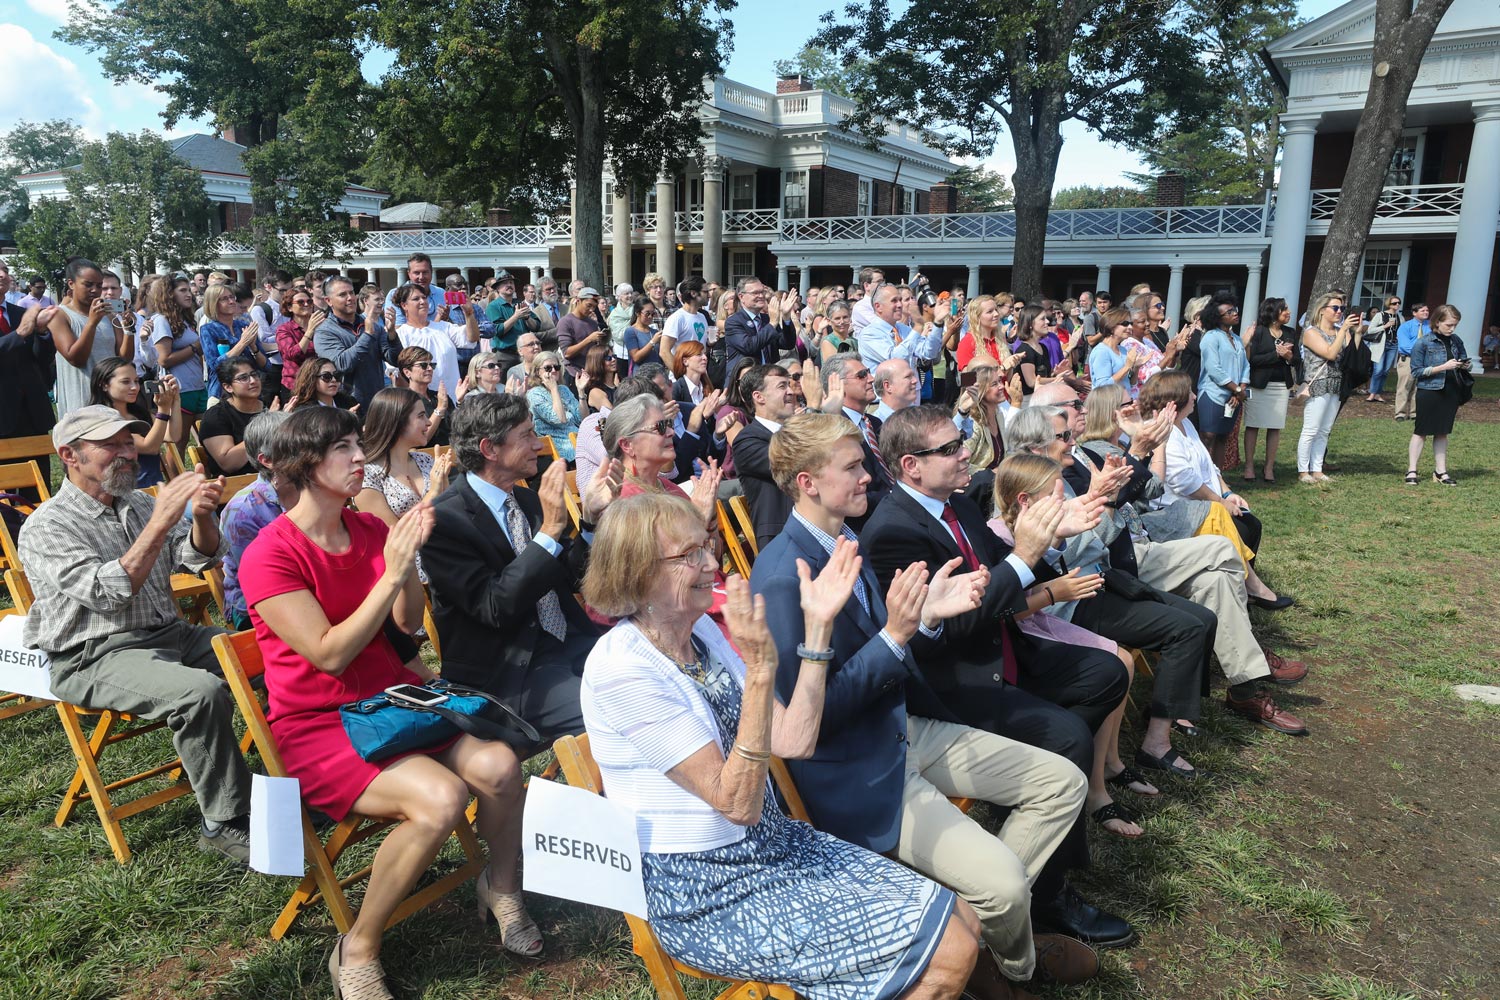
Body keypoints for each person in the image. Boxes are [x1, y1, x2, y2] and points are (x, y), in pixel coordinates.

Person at [580, 491, 985, 1000]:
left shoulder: (701, 630)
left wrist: (817, 629)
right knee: (950, 949)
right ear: (637, 573)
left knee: (962, 915)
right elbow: (736, 804)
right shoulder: (624, 670)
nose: (712, 562)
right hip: (706, 891)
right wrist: (761, 670)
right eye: (690, 555)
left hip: (774, 846)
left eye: (707, 545)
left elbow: (794, 738)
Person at [752, 412, 1100, 995]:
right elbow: (813, 726)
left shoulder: (842, 539)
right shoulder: (785, 576)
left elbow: (893, 644)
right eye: (854, 466)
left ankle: (973, 935)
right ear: (808, 483)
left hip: (904, 727)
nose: (870, 476)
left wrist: (927, 618)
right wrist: (896, 633)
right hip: (861, 771)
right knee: (1008, 884)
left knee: (1063, 782)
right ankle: (1013, 970)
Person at [240, 406, 538, 999]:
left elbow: (403, 625)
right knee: (442, 798)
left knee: (501, 766)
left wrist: (408, 571)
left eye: (359, 445)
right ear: (306, 464)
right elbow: (328, 655)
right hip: (321, 724)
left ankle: (500, 887)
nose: (360, 459)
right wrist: (392, 571)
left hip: (394, 699)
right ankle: (358, 945)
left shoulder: (372, 529)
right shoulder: (269, 553)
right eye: (343, 450)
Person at [861, 405, 1139, 940]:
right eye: (949, 448)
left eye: (961, 440)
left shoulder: (957, 505)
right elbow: (958, 625)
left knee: (1107, 673)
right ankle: (1049, 897)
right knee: (1067, 736)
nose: (965, 450)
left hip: (1001, 652)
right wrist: (1028, 554)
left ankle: (1037, 802)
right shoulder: (893, 533)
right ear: (912, 466)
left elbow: (1002, 579)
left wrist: (1056, 531)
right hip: (953, 683)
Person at [19, 405, 252, 862]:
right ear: (70, 454)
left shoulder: (140, 502)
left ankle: (313, 774)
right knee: (199, 693)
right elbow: (107, 593)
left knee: (274, 653)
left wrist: (203, 515)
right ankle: (223, 821)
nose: (127, 452)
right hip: (93, 655)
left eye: (129, 441)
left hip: (169, 634)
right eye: (111, 445)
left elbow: (198, 558)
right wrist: (163, 518)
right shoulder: (46, 525)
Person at [420, 393, 606, 741]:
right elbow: (495, 606)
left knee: (656, 681)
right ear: (490, 448)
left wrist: (591, 522)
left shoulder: (526, 499)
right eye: (526, 436)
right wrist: (549, 532)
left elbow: (573, 578)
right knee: (616, 714)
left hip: (572, 644)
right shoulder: (444, 521)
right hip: (510, 674)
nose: (538, 445)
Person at [219, 411, 292, 630]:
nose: (310, 449)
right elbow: (261, 581)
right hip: (256, 607)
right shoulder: (243, 512)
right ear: (267, 460)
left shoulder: (309, 490)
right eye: (295, 444)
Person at [727, 363, 800, 548]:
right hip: (783, 539)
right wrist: (815, 409)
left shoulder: (794, 430)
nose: (791, 391)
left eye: (790, 385)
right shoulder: (747, 441)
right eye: (782, 386)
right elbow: (796, 460)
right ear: (759, 397)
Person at [49, 258, 128, 422]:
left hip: (111, 401)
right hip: (81, 402)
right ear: (71, 284)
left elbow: (124, 359)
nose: (95, 290)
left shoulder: (109, 316)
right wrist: (92, 323)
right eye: (88, 284)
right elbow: (76, 358)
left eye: (99, 285)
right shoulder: (60, 315)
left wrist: (129, 329)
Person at [1297, 291, 1361, 484]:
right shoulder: (1311, 332)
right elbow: (1330, 354)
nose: (1339, 311)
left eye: (1342, 308)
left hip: (1336, 384)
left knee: (1324, 430)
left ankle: (1317, 469)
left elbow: (1352, 354)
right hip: (1318, 383)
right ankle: (1303, 471)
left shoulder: (1341, 331)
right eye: (1335, 308)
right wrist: (1343, 331)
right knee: (1311, 428)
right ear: (1322, 310)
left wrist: (1355, 332)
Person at [88, 357, 180, 488]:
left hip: (154, 488)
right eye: (126, 382)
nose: (134, 387)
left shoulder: (139, 413)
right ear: (104, 385)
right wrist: (163, 410)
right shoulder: (103, 419)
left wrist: (175, 400)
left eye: (136, 381)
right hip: (128, 493)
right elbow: (150, 447)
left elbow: (173, 436)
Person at [1405, 304, 1469, 485]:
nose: (1452, 329)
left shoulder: (1456, 340)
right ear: (1437, 322)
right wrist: (1443, 367)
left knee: (1442, 432)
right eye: (1449, 325)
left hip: (1451, 390)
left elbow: (1463, 359)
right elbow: (1416, 371)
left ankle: (1440, 472)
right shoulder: (1423, 342)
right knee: (1421, 431)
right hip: (1429, 391)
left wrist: (1464, 365)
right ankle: (1412, 470)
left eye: (1455, 325)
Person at [386, 282, 481, 399]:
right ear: (404, 305)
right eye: (416, 299)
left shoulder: (444, 327)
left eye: (424, 297)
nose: (422, 302)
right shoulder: (400, 335)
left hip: (452, 398)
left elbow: (472, 338)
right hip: (420, 403)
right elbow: (398, 376)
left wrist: (469, 313)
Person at [827, 354, 895, 512]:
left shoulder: (874, 423)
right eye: (862, 375)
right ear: (838, 385)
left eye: (869, 372)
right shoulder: (835, 429)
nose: (871, 379)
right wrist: (896, 497)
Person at [1242, 298, 1298, 483]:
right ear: (1273, 313)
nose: (1288, 312)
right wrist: (1275, 354)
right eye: (1284, 310)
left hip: (1280, 386)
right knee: (1253, 424)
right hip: (1257, 385)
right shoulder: (1259, 332)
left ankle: (1269, 467)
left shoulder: (1290, 333)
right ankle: (1249, 466)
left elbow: (1297, 360)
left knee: (1275, 426)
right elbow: (1253, 360)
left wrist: (1289, 356)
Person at [314, 276, 388, 410]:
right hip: (348, 406)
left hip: (377, 403)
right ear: (328, 300)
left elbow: (393, 358)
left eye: (352, 292)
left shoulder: (371, 325)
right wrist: (367, 336)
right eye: (343, 294)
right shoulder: (324, 331)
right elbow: (341, 364)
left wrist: (393, 336)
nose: (350, 298)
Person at [0, 271, 58, 443]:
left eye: (5, 270)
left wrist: (42, 333)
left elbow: (40, 360)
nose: (3, 274)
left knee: (38, 470)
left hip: (32, 413)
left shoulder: (21, 313)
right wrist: (18, 334)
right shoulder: (23, 323)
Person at [1195, 294, 1249, 469]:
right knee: (1208, 435)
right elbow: (1214, 369)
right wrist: (1237, 390)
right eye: (1229, 311)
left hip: (1234, 396)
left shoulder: (1237, 339)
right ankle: (1200, 475)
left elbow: (1245, 365)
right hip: (1212, 394)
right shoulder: (1211, 337)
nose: (1235, 313)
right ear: (1217, 317)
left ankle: (1218, 478)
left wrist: (1240, 389)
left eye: (1235, 309)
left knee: (1223, 435)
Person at [197, 356, 265, 477]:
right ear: (228, 387)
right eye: (243, 378)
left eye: (254, 375)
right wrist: (267, 426)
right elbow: (229, 463)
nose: (253, 381)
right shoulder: (216, 417)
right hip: (237, 485)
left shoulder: (271, 405)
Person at [199, 283, 266, 400]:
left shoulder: (244, 326)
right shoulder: (208, 329)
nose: (231, 301)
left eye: (232, 297)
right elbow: (216, 365)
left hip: (250, 391)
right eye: (225, 299)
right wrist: (243, 343)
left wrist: (254, 347)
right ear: (214, 303)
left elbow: (266, 365)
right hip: (222, 394)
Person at [858, 284, 943, 372]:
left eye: (900, 300)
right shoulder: (869, 334)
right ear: (878, 306)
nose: (899, 305)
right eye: (894, 301)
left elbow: (929, 352)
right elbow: (895, 359)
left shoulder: (904, 329)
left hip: (911, 385)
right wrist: (918, 327)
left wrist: (938, 323)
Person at [524, 350, 584, 461]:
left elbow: (582, 418)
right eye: (548, 368)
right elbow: (559, 419)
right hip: (559, 446)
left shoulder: (564, 389)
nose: (553, 371)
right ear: (538, 372)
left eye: (556, 367)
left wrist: (581, 392)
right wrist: (554, 389)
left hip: (578, 438)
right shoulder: (534, 394)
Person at [724, 278, 797, 367]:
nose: (761, 296)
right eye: (755, 293)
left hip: (769, 376)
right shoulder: (733, 321)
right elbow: (749, 347)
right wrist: (772, 324)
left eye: (762, 292)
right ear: (741, 296)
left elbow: (787, 344)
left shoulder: (767, 319)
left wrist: (786, 317)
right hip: (746, 378)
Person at [395, 346, 453, 447]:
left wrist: (461, 402)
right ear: (407, 372)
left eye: (432, 365)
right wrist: (439, 409)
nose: (430, 369)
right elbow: (420, 440)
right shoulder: (404, 401)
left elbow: (458, 429)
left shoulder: (439, 397)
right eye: (423, 365)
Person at [274, 286, 321, 396]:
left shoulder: (321, 327)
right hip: (295, 386)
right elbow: (293, 354)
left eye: (309, 301)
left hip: (319, 384)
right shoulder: (284, 329)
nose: (306, 304)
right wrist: (309, 331)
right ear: (290, 307)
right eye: (300, 302)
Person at [1088, 308, 1142, 397]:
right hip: (1108, 406)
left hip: (1125, 402)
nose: (1130, 327)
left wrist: (1136, 368)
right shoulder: (1101, 352)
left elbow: (1131, 383)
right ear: (1111, 326)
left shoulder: (1123, 350)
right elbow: (1102, 387)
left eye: (1131, 323)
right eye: (1125, 324)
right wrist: (1127, 367)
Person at [557, 287, 607, 378]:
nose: (591, 310)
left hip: (591, 373)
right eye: (588, 305)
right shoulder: (565, 322)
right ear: (578, 301)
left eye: (594, 307)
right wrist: (589, 339)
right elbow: (567, 353)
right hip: (574, 373)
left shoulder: (593, 323)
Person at [1392, 303, 1429, 421]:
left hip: (1424, 361)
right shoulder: (1405, 327)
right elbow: (1404, 346)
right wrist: (1421, 349)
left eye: (1427, 310)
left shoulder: (1430, 327)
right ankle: (1400, 414)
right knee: (1404, 386)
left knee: (1419, 387)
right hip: (1407, 359)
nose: (1426, 312)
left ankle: (1414, 413)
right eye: (1422, 311)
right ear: (1414, 313)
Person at [1364, 294, 1403, 402]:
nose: (1397, 305)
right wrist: (1385, 326)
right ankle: (1372, 393)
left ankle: (1378, 393)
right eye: (1394, 303)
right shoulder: (1380, 315)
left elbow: (1402, 332)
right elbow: (1370, 330)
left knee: (1385, 371)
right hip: (1381, 344)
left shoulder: (1400, 317)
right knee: (1378, 369)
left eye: (1399, 303)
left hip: (1393, 345)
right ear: (1389, 304)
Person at [956, 295, 1011, 371]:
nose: (996, 314)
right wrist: (1002, 368)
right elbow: (967, 380)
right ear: (977, 317)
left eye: (996, 310)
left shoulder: (1000, 338)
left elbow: (1006, 377)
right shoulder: (967, 342)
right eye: (990, 311)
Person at [660, 276, 710, 360]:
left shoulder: (702, 317)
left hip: (699, 371)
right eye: (705, 292)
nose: (709, 295)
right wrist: (679, 372)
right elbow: (664, 352)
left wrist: (710, 344)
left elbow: (702, 351)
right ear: (693, 293)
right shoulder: (677, 318)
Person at [289, 356, 358, 413]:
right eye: (326, 376)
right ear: (311, 379)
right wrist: (347, 419)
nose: (334, 380)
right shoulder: (305, 411)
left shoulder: (349, 402)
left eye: (337, 375)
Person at [671, 339, 716, 408]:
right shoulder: (676, 390)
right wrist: (704, 415)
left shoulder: (707, 387)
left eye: (704, 354)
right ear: (685, 361)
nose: (705, 358)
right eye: (699, 354)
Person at [624, 298, 665, 370]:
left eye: (653, 314)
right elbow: (636, 357)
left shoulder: (654, 332)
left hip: (657, 374)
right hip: (641, 377)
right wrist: (653, 342)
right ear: (637, 313)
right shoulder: (630, 331)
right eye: (647, 314)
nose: (650, 317)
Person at [582, 344, 620, 411]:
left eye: (614, 356)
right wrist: (619, 390)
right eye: (608, 358)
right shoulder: (595, 391)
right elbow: (614, 415)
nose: (613, 360)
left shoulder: (620, 382)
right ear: (598, 362)